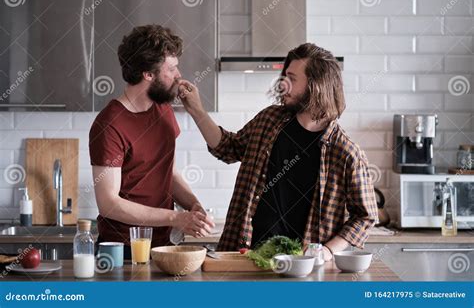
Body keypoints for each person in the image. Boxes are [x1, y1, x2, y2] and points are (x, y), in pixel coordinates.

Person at [178, 43, 378, 261]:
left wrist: (328, 250)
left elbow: (365, 216)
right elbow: (228, 147)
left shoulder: (345, 152)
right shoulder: (270, 121)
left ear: (316, 85)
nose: (283, 84)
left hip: (301, 266)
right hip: (245, 255)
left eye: (292, 78)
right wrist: (196, 110)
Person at [89, 24, 214, 259]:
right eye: (172, 69)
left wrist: (193, 206)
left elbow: (169, 172)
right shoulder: (109, 124)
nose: (178, 75)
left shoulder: (163, 109)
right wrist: (177, 218)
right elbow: (109, 203)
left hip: (161, 245)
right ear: (148, 74)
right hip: (121, 250)